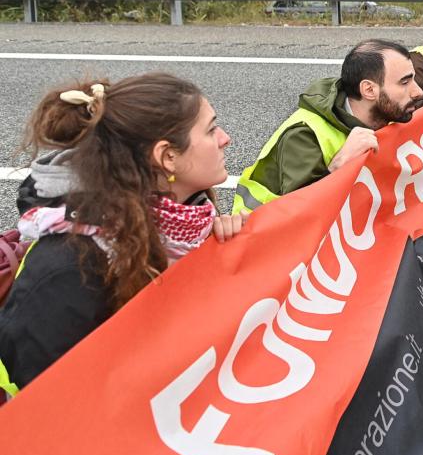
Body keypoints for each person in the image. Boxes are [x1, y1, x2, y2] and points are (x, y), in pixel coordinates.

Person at [0, 74, 245, 396]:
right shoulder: (70, 271)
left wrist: (222, 251)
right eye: (211, 129)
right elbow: (55, 406)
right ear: (167, 157)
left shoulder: (186, 222)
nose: (225, 138)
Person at [233, 39, 422, 213]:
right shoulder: (303, 135)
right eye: (405, 82)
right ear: (369, 90)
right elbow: (298, 217)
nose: (418, 91)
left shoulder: (386, 113)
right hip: (265, 241)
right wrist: (338, 165)